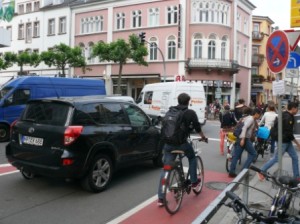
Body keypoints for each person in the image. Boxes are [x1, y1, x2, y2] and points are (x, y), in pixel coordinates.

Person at [157, 93, 207, 206]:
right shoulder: (190, 112)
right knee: (192, 157)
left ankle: (160, 198)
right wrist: (203, 137)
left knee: (166, 169)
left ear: (178, 101)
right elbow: (197, 127)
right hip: (181, 144)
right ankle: (194, 182)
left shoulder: (170, 111)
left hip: (168, 144)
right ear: (188, 101)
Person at [258, 102, 300, 181]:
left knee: (295, 157)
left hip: (285, 141)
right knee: (276, 158)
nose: (297, 110)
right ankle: (262, 170)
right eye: (297, 108)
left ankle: (297, 177)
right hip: (284, 141)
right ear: (293, 108)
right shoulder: (288, 118)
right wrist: (297, 144)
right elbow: (289, 133)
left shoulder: (284, 114)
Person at [228, 107, 261, 178]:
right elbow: (244, 128)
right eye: (259, 115)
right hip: (244, 138)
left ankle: (232, 172)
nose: (259, 116)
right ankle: (244, 171)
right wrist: (243, 139)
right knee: (253, 153)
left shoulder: (249, 118)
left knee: (236, 156)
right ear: (256, 114)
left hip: (241, 138)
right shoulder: (251, 119)